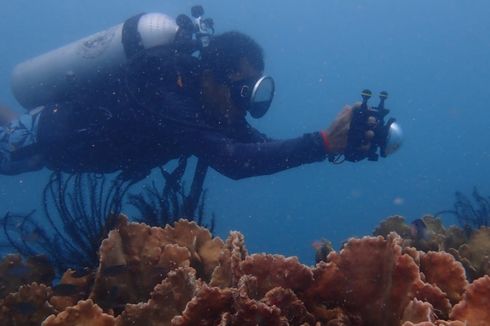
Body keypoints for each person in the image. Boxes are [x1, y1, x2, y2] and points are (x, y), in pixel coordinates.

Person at [0, 30, 376, 181]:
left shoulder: (212, 105)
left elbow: (254, 148)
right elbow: (234, 162)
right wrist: (322, 143)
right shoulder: (167, 95)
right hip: (48, 138)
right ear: (212, 77)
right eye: (242, 90)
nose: (245, 105)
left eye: (255, 91)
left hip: (70, 153)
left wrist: (332, 144)